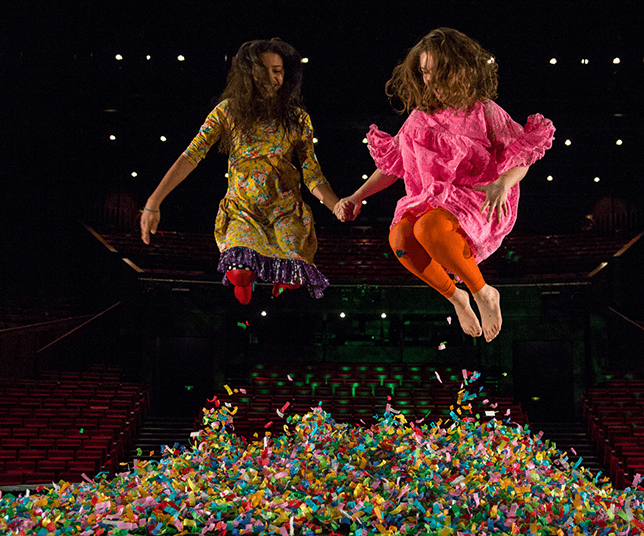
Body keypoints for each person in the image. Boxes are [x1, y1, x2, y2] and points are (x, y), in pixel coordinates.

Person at [334, 28, 555, 342]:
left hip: (480, 199)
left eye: (438, 72)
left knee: (429, 228)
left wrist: (503, 183)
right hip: (432, 200)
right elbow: (392, 165)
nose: (431, 81)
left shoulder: (484, 110)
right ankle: (457, 298)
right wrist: (357, 196)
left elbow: (523, 154)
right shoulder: (418, 118)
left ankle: (483, 293)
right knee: (400, 237)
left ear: (460, 69)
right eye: (425, 73)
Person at [141, 38, 347, 304]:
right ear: (250, 74)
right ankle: (245, 282)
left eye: (277, 70)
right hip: (243, 211)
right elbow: (191, 155)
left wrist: (335, 204)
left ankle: (281, 280)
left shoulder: (298, 119)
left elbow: (312, 172)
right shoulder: (227, 111)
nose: (272, 78)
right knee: (239, 274)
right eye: (264, 70)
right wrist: (154, 201)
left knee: (294, 276)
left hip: (284, 212)